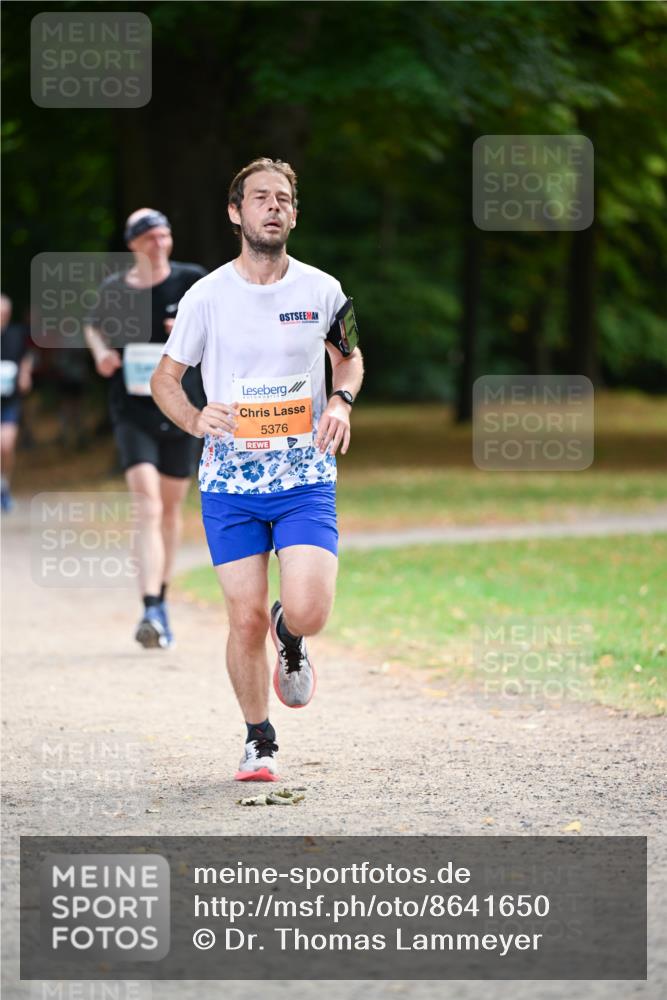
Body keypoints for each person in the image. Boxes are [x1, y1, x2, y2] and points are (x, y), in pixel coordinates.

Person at [151, 158, 364, 781]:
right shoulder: (206, 296)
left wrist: (341, 400)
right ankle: (259, 738)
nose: (273, 206)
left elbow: (349, 360)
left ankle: (289, 634)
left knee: (310, 610)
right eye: (260, 198)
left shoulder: (323, 290)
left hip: (304, 476)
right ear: (235, 212)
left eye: (283, 199)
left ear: (294, 214)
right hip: (231, 484)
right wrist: (194, 421)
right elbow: (167, 379)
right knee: (241, 617)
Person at [84, 210, 207, 649]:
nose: (159, 242)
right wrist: (100, 353)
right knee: (148, 506)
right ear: (133, 244)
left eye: (165, 234)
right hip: (131, 409)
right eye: (150, 237)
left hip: (181, 409)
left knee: (170, 510)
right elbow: (93, 326)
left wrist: (191, 331)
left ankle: (162, 602)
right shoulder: (115, 290)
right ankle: (150, 605)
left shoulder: (193, 280)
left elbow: (222, 328)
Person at [1, 294, 33, 511]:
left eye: (4, 313)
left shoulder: (16, 333)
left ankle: (4, 484)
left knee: (6, 444)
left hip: (9, 399)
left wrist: (25, 372)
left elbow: (27, 355)